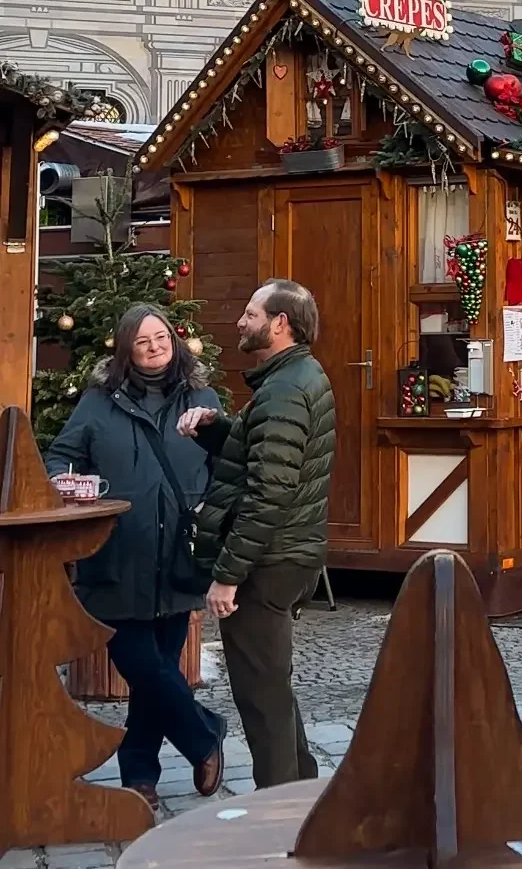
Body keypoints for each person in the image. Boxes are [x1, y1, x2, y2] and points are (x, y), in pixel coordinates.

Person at [45, 303, 226, 809]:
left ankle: (139, 779)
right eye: (142, 340)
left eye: (161, 337)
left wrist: (211, 500)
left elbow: (228, 462)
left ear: (173, 340)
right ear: (127, 349)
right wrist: (63, 480)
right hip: (115, 554)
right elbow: (61, 453)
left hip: (178, 555)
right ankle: (202, 734)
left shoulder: (201, 398)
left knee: (158, 670)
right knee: (140, 663)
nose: (154, 346)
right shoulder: (99, 402)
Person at [177, 280, 335, 789]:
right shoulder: (286, 381)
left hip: (271, 560)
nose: (241, 322)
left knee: (260, 694)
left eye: (250, 313)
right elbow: (263, 460)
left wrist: (228, 576)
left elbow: (270, 495)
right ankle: (302, 790)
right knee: (271, 685)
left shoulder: (286, 388)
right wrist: (216, 431)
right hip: (286, 553)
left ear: (280, 323)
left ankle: (279, 813)